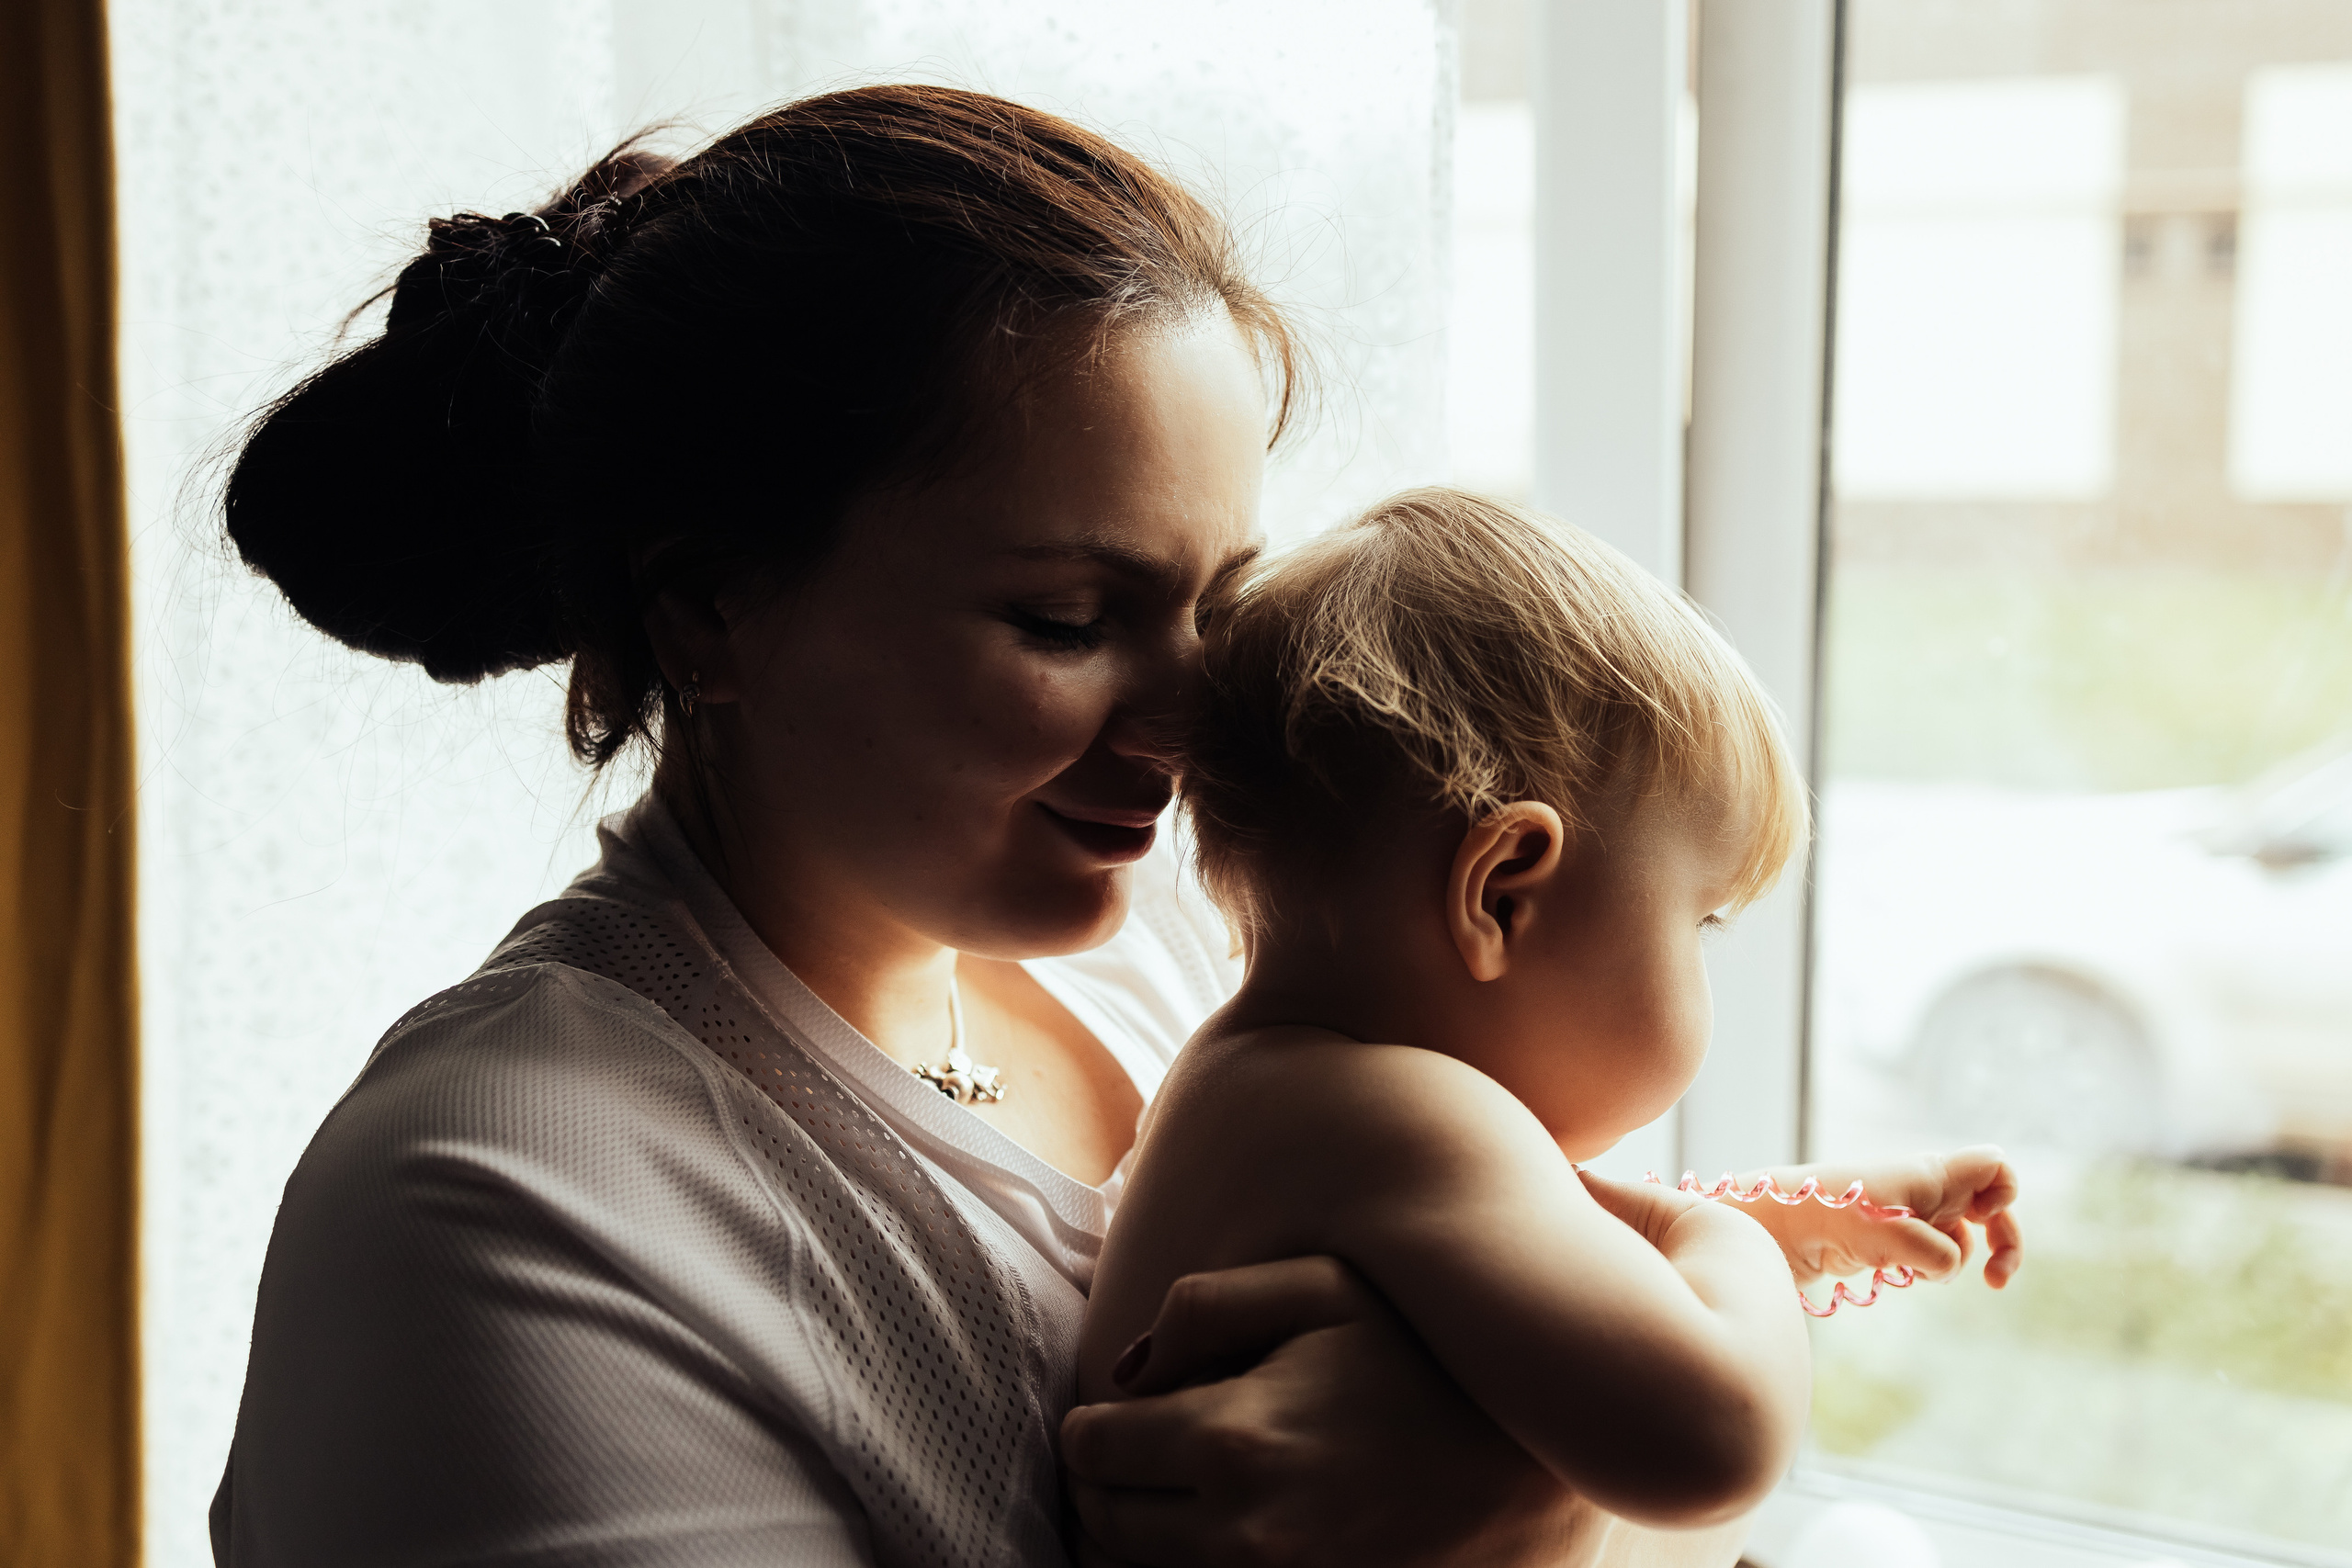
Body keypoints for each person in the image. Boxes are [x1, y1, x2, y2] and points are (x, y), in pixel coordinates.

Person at [207, 85, 1620, 1567]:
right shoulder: (507, 1197)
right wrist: (1541, 1501)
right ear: (710, 609)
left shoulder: (1193, 947)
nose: (1194, 720)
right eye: (1066, 619)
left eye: (1219, 606)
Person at [1074, 491, 2024, 1553]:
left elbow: (1541, 1271)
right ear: (1502, 893)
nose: (1703, 961)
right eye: (1699, 920)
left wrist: (1785, 1226)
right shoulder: (1400, 1117)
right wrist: (1729, 1242)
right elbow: (1720, 1440)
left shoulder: (1249, 1085)